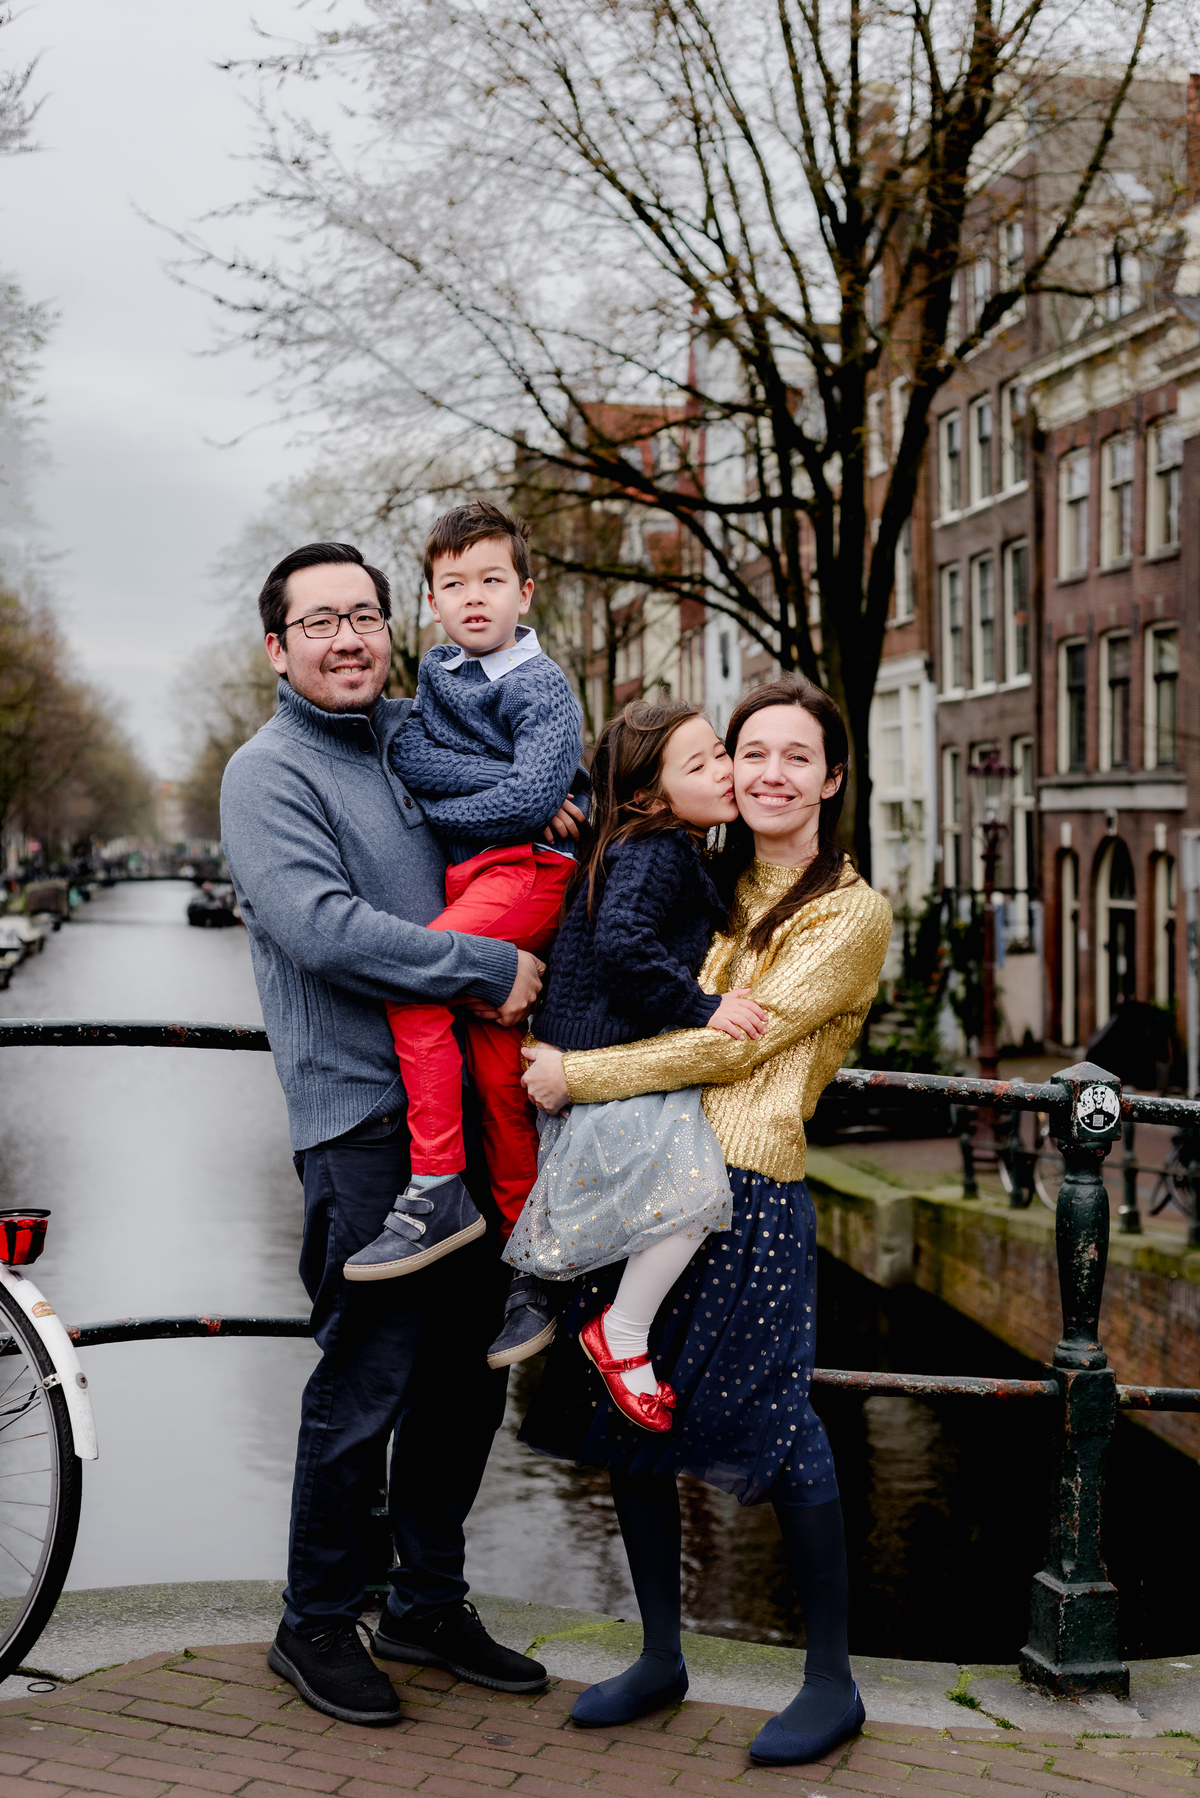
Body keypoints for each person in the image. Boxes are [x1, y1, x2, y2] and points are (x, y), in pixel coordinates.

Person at [221, 540, 563, 1728]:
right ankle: (314, 1619)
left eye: (365, 615)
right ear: (278, 647)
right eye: (320, 622)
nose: (350, 638)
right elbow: (324, 928)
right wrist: (486, 964)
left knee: (472, 1381)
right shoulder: (267, 774)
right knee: (365, 1380)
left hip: (468, 1118)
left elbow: (513, 813)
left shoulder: (418, 740)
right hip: (365, 1126)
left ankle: (425, 1599)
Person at [520, 674, 892, 1766]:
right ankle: (659, 1652)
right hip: (645, 1178)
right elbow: (617, 910)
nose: (770, 772)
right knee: (631, 1416)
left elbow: (738, 1041)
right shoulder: (700, 867)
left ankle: (832, 1680)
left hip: (747, 1186)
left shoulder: (848, 913)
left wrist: (575, 1073)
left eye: (795, 756)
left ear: (830, 778)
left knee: (780, 1428)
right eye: (751, 751)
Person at [343, 505, 585, 1381]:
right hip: (479, 875)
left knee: (410, 981)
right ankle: (533, 1261)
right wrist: (515, 784)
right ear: (432, 602)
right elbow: (414, 761)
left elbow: (529, 807)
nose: (473, 598)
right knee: (494, 1069)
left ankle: (438, 1185)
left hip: (525, 872)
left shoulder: (541, 684)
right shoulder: (440, 672)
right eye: (454, 585)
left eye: (491, 581)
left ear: (524, 591)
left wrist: (505, 796)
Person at [504, 698, 771, 1426]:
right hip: (599, 1057)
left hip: (593, 1051)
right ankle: (620, 1333)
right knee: (693, 1193)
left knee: (669, 1194)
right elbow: (624, 945)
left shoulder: (661, 843)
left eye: (721, 751)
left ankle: (570, 1307)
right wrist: (705, 1007)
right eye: (701, 764)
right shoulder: (654, 850)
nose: (724, 769)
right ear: (652, 796)